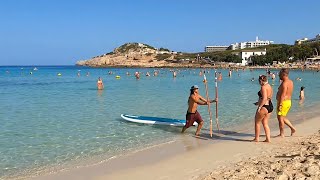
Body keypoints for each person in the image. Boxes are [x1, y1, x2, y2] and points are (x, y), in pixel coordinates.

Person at [253, 75, 273, 143]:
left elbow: (264, 98)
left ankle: (257, 138)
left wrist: (259, 107)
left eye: (259, 81)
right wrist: (258, 102)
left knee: (257, 122)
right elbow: (268, 97)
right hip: (270, 105)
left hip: (264, 106)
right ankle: (268, 139)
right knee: (265, 123)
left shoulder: (263, 87)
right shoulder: (269, 86)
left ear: (261, 81)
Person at [276, 68, 296, 137]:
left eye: (280, 74)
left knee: (280, 119)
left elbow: (283, 95)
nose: (279, 76)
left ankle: (282, 134)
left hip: (283, 102)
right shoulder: (291, 82)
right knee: (282, 117)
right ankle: (292, 129)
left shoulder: (284, 83)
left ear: (283, 75)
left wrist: (280, 105)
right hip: (288, 101)